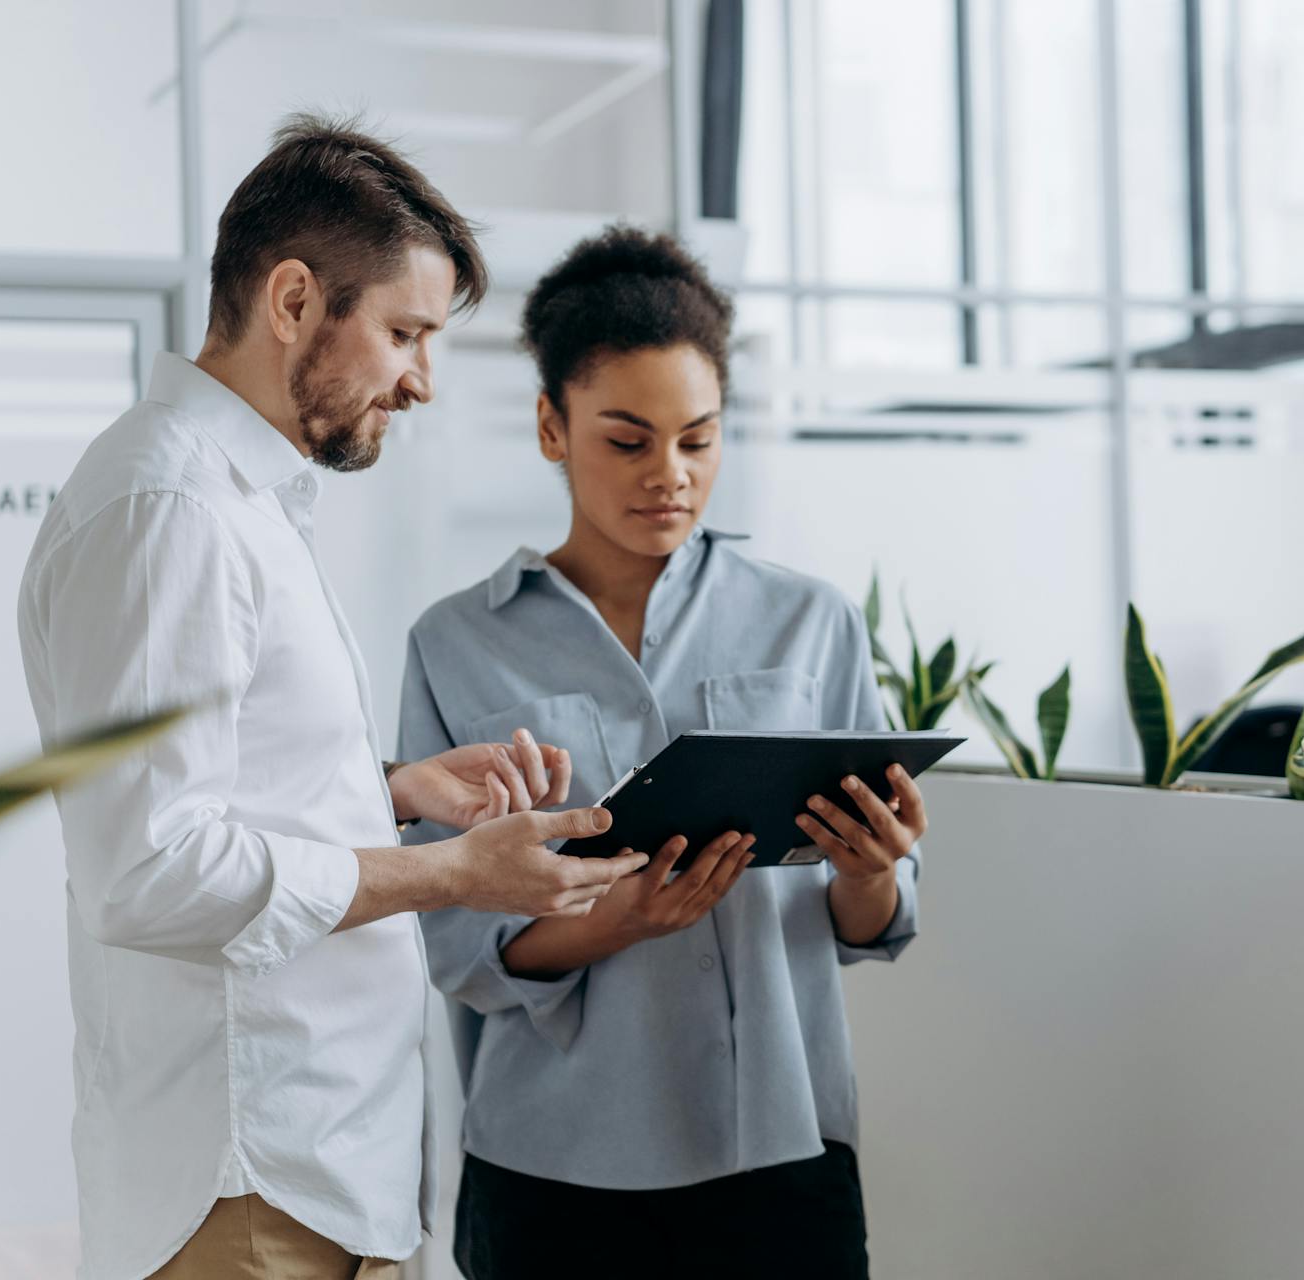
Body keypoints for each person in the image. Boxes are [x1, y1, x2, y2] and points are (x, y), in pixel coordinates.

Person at [16, 115, 646, 1280]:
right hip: (246, 1188)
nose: (421, 380)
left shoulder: (240, 498)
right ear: (295, 299)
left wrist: (386, 790)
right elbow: (152, 869)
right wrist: (459, 872)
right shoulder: (176, 512)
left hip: (317, 1173)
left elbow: (227, 787)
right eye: (405, 331)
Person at [398, 227, 928, 1279]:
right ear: (552, 426)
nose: (671, 476)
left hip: (782, 1157)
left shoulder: (812, 623)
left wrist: (869, 867)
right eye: (628, 440)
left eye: (699, 438)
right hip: (554, 1167)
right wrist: (616, 920)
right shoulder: (455, 642)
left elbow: (873, 923)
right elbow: (460, 947)